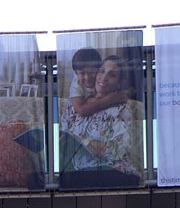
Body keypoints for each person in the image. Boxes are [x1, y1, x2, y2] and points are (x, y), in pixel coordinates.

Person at [60, 54, 144, 187]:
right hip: (79, 173)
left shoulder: (120, 109)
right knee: (40, 180)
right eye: (102, 71)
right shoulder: (76, 105)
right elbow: (62, 138)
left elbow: (118, 150)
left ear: (119, 83)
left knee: (72, 182)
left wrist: (83, 142)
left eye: (112, 75)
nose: (103, 77)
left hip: (111, 171)